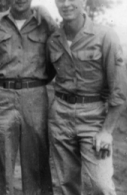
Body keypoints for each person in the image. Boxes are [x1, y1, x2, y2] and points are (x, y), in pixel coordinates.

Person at [47, 0, 127, 194]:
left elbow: (119, 89)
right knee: (66, 184)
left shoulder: (105, 36)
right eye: (60, 0)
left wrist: (107, 130)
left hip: (93, 118)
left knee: (101, 185)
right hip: (60, 117)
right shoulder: (53, 39)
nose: (66, 4)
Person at [0, 0, 57, 194]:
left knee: (36, 163)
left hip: (35, 97)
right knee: (1, 162)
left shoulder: (45, 24)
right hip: (2, 97)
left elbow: (56, 56)